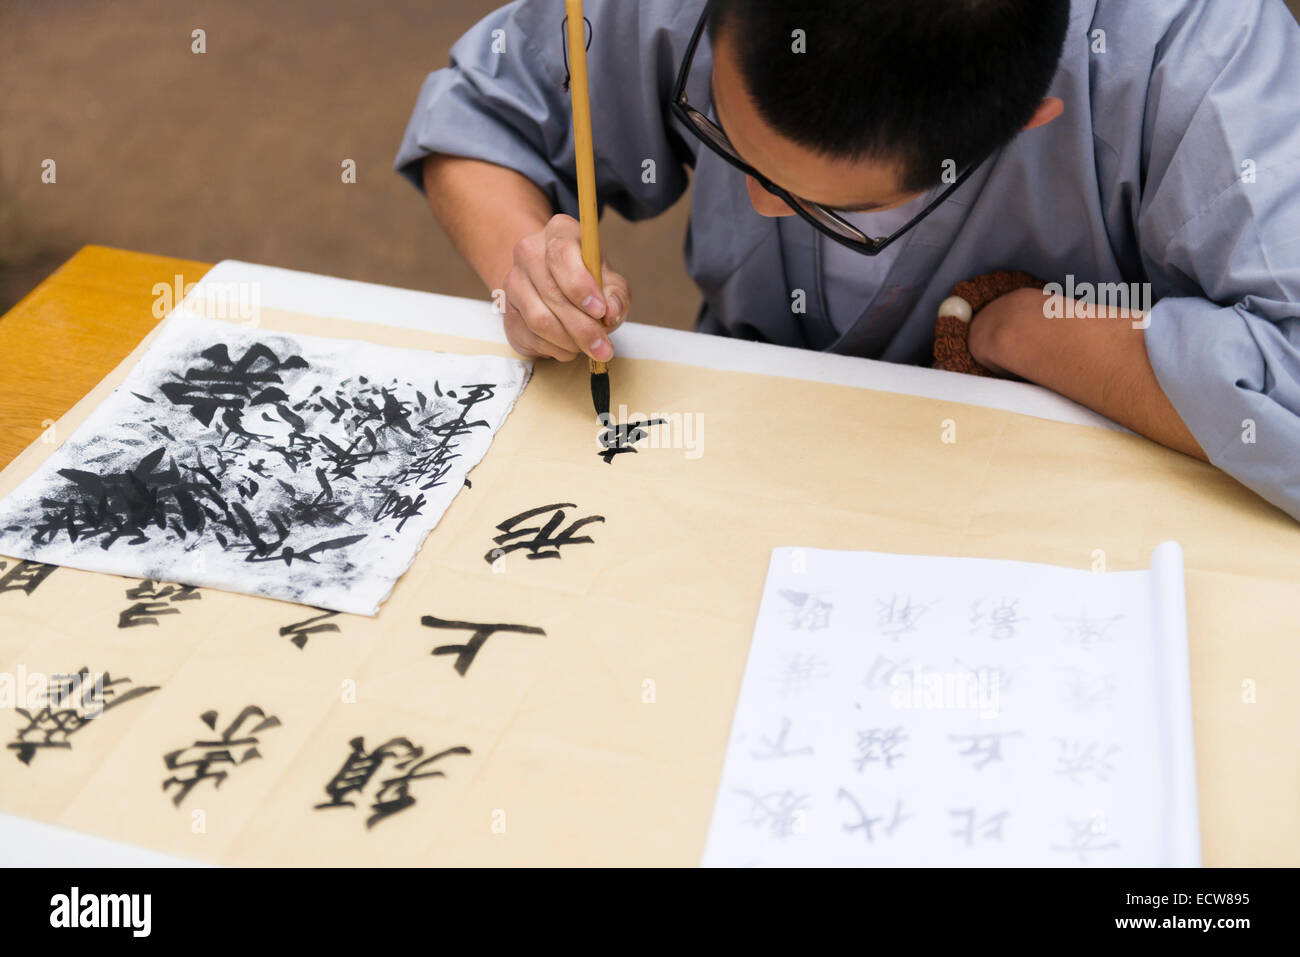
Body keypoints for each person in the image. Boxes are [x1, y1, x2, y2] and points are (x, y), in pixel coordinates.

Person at [396, 0, 1300, 520]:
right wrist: (529, 260)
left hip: (1059, 493)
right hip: (751, 462)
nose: (751, 205)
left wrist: (1017, 328)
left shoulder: (1198, 53)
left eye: (840, 210)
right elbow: (487, 115)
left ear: (1027, 120)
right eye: (724, 137)